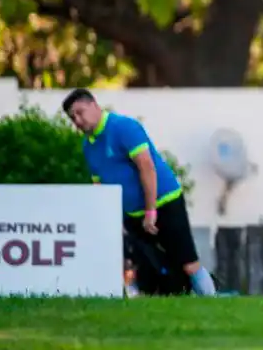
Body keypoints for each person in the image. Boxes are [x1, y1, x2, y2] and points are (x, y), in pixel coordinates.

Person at [61, 88, 217, 296]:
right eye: (73, 118)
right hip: (133, 215)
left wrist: (150, 211)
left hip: (164, 203)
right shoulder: (88, 146)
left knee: (188, 264)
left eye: (80, 112)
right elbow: (100, 187)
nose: (78, 121)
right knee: (150, 267)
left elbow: (147, 167)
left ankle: (212, 300)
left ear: (94, 105)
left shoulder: (124, 127)